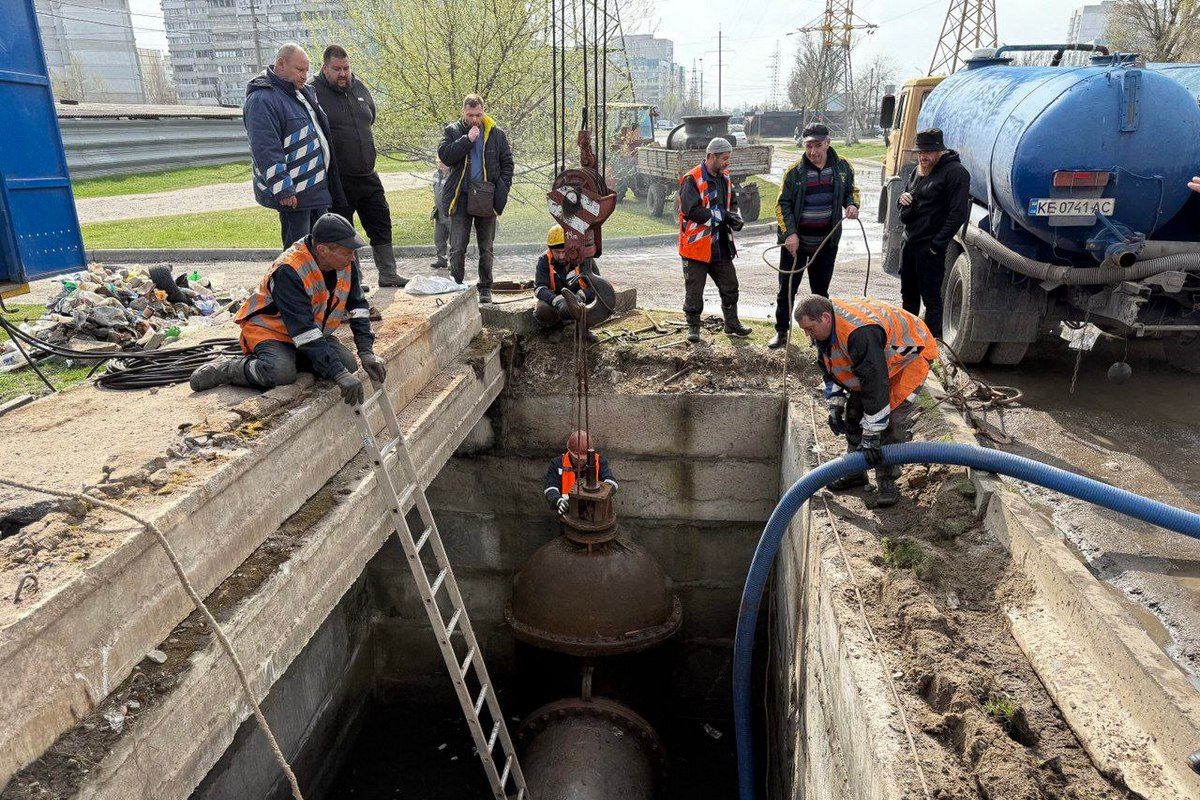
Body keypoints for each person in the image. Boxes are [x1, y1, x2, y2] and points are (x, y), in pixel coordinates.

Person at [188, 213, 385, 405]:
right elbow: (303, 330)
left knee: (347, 365)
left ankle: (295, 358)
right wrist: (337, 372)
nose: (352, 258)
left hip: (310, 333)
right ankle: (227, 368)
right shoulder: (289, 269)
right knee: (280, 373)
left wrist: (366, 352)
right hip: (271, 331)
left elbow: (359, 309)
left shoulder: (344, 264)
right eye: (347, 252)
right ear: (323, 249)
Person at [793, 294, 938, 508]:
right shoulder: (826, 331)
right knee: (853, 414)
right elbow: (831, 368)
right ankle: (855, 473)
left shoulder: (860, 333)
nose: (808, 336)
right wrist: (835, 403)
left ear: (825, 317)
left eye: (810, 329)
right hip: (878, 361)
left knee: (890, 422)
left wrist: (872, 433)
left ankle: (887, 481)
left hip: (909, 358)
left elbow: (874, 384)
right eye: (804, 330)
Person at [309, 45, 407, 288]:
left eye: (346, 68)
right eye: (337, 69)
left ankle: (388, 273)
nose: (343, 74)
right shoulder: (313, 92)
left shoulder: (359, 87)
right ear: (325, 68)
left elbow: (370, 116)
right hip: (338, 178)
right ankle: (352, 282)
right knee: (344, 232)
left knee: (381, 222)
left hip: (367, 173)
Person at [244, 43, 345, 248]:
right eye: (300, 70)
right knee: (298, 253)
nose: (304, 75)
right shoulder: (262, 99)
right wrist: (283, 189)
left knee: (321, 250)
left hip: (315, 190)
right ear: (281, 64)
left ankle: (318, 282)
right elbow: (265, 148)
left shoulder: (301, 93)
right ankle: (294, 282)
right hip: (295, 194)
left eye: (307, 70)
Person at [770, 123, 860, 349]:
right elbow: (782, 204)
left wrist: (851, 204)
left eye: (817, 145)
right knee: (786, 290)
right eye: (809, 146)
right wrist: (789, 234)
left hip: (826, 243)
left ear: (828, 143)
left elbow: (851, 191)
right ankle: (781, 332)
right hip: (795, 244)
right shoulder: (794, 172)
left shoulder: (842, 168)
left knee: (820, 293)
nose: (813, 151)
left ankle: (822, 338)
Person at [437, 94, 515, 303]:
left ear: (483, 111)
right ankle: (457, 286)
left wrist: (502, 189)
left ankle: (485, 288)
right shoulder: (452, 131)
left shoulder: (496, 134)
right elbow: (445, 155)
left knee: (486, 247)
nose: (474, 119)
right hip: (462, 196)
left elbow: (507, 164)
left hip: (487, 196)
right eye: (470, 115)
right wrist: (467, 140)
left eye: (478, 114)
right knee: (457, 246)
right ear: (463, 112)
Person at [898, 128, 971, 338]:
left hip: (929, 247)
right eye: (920, 152)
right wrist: (902, 202)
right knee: (908, 296)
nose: (923, 157)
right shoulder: (917, 171)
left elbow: (958, 214)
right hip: (909, 243)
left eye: (928, 152)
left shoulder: (955, 172)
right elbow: (906, 203)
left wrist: (936, 245)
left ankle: (929, 347)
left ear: (939, 151)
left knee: (931, 299)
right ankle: (906, 341)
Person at [678, 137, 750, 343]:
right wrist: (723, 216)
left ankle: (732, 323)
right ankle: (693, 328)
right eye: (724, 158)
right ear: (712, 156)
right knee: (694, 291)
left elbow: (731, 203)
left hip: (721, 246)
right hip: (696, 248)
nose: (727, 162)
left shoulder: (725, 178)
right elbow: (692, 211)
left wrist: (735, 217)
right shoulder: (691, 179)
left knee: (730, 286)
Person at [533, 225, 600, 343]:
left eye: (564, 251)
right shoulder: (544, 260)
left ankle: (583, 329)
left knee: (598, 301)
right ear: (550, 249)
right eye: (556, 252)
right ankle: (556, 328)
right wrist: (557, 301)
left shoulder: (584, 259)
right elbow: (539, 289)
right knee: (541, 309)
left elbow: (597, 286)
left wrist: (580, 296)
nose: (561, 256)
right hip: (557, 304)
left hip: (581, 301)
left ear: (571, 248)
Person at [543, 430, 618, 515]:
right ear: (569, 452)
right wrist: (559, 501)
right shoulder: (557, 463)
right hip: (569, 513)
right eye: (576, 459)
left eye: (583, 459)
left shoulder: (599, 461)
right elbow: (550, 487)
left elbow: (612, 482)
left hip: (595, 512)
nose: (580, 462)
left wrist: (603, 493)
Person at [431, 159, 451, 269]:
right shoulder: (435, 174)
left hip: (451, 212)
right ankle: (441, 260)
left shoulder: (453, 175)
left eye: (444, 162)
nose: (441, 165)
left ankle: (455, 262)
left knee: (454, 239)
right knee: (439, 238)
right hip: (439, 212)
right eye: (439, 162)